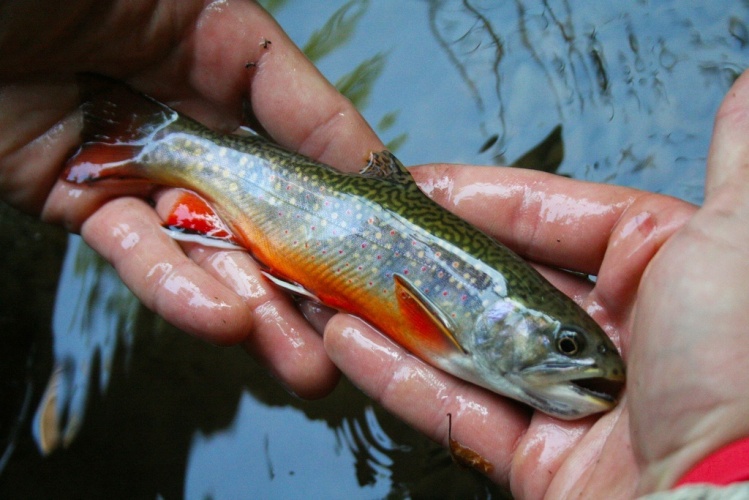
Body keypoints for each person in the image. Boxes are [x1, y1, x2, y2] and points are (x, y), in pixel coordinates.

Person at [1, 1, 747, 497]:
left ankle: (159, 144)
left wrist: (710, 456)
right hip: (299, 211)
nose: (581, 361)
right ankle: (161, 141)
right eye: (564, 338)